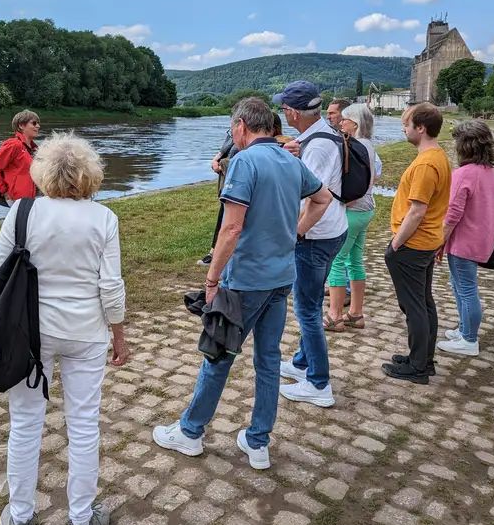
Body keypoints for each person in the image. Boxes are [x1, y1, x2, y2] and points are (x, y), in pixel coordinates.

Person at [154, 98, 334, 470]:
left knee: (218, 355)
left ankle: (190, 432)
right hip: (281, 278)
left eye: (232, 129)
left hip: (246, 280)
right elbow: (323, 198)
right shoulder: (291, 160)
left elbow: (232, 227)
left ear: (241, 126)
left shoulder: (244, 162)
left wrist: (212, 277)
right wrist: (295, 233)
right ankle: (258, 442)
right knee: (268, 361)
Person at [0, 133, 129, 525]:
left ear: (42, 172)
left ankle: (19, 518)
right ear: (91, 175)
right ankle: (81, 523)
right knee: (84, 425)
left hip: (29, 334)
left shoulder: (22, 212)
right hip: (86, 333)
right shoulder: (103, 218)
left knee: (26, 423)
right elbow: (111, 286)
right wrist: (118, 335)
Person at [273, 81, 349, 409]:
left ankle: (319, 383)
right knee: (312, 301)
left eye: (284, 108)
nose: (282, 113)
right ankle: (303, 362)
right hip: (333, 229)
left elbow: (314, 195)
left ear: (292, 112)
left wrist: (295, 234)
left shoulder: (316, 146)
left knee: (306, 309)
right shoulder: (324, 134)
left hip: (315, 236)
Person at [382, 103, 453, 383]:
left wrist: (396, 244)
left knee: (413, 306)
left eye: (406, 124)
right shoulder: (438, 156)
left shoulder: (425, 164)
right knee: (423, 303)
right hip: (426, 241)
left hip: (413, 243)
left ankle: (418, 367)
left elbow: (417, 210)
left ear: (420, 128)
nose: (403, 128)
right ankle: (421, 358)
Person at [434, 120, 494, 359]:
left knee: (466, 289)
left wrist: (439, 242)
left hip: (464, 241)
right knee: (460, 286)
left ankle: (469, 340)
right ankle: (464, 329)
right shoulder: (491, 172)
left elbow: (452, 214)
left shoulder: (463, 174)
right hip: (482, 238)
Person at [325, 102, 382, 333]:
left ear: (354, 124)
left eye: (345, 120)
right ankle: (356, 313)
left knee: (337, 260)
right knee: (354, 261)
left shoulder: (354, 146)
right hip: (366, 209)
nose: (341, 122)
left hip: (353, 210)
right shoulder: (369, 145)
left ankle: (334, 315)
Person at [0, 110, 42, 202]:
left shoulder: (34, 148)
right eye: (34, 123)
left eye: (38, 123)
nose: (38, 126)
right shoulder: (14, 145)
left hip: (31, 199)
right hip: (16, 200)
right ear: (21, 125)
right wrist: (4, 191)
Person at [201, 125, 238, 266]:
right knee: (222, 215)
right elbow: (223, 151)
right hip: (225, 180)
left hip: (234, 180)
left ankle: (220, 253)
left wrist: (223, 166)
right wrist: (215, 161)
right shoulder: (231, 134)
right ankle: (214, 251)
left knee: (229, 218)